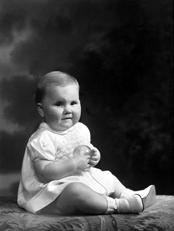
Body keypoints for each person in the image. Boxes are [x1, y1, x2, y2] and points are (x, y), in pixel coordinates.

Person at [17, 71, 156, 215]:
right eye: (59, 104)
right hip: (50, 194)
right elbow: (43, 173)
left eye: (73, 103)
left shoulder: (80, 130)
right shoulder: (42, 139)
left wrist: (93, 156)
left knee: (108, 177)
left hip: (78, 177)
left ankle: (130, 195)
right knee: (76, 191)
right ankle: (121, 205)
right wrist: (74, 164)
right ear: (42, 109)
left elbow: (85, 152)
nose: (68, 110)